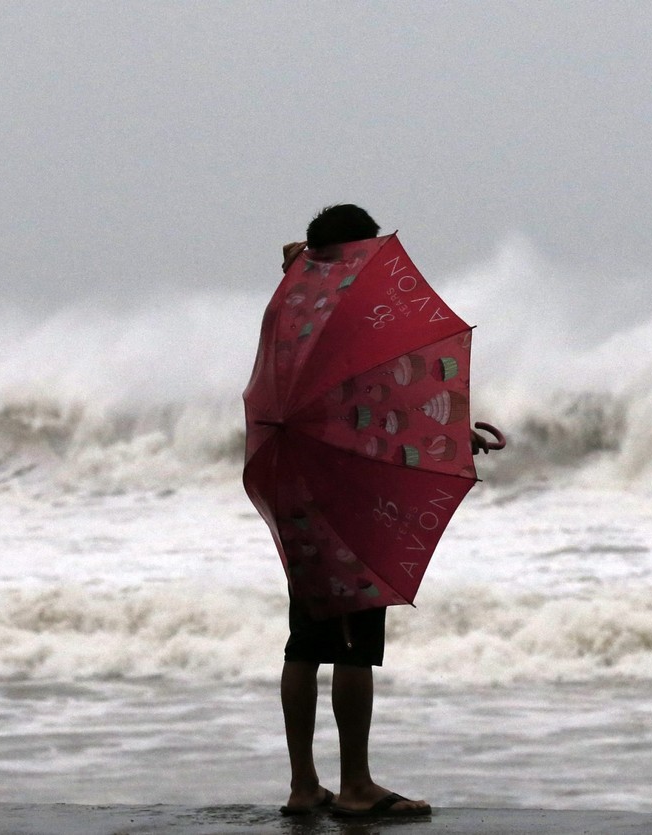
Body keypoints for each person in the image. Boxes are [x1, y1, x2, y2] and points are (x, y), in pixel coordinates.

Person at [276, 204, 434, 819]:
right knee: (353, 646)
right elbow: (376, 403)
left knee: (303, 643)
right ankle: (356, 787)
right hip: (347, 496)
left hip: (294, 484)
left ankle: (303, 786)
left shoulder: (293, 309)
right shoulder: (353, 318)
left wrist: (301, 264)